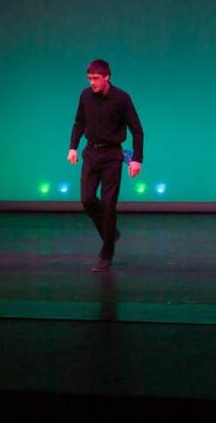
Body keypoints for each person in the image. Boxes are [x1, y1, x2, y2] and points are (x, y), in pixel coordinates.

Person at [67, 59, 143, 272]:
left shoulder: (121, 98)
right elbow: (79, 122)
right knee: (87, 199)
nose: (92, 83)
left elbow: (137, 130)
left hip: (112, 155)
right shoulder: (85, 95)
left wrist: (136, 159)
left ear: (107, 77)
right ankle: (110, 233)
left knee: (109, 204)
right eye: (89, 78)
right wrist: (73, 147)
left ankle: (106, 250)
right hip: (91, 152)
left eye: (96, 79)